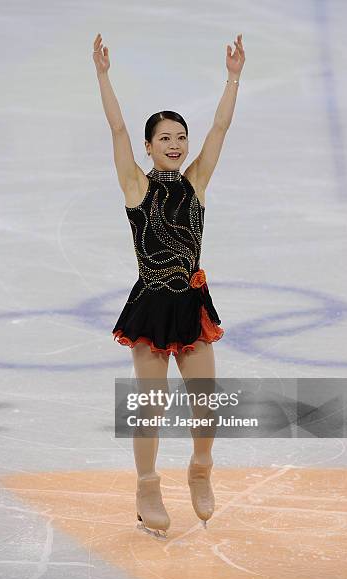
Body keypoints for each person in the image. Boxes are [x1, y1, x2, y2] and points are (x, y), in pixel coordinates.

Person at [93, 33, 245, 538]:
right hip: (152, 308)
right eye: (165, 138)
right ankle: (147, 484)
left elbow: (222, 128)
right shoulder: (136, 186)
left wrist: (233, 78)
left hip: (192, 304)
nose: (176, 144)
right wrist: (103, 77)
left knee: (206, 402)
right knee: (151, 405)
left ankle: (200, 467)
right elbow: (116, 129)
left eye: (181, 136)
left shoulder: (196, 183)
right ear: (150, 145)